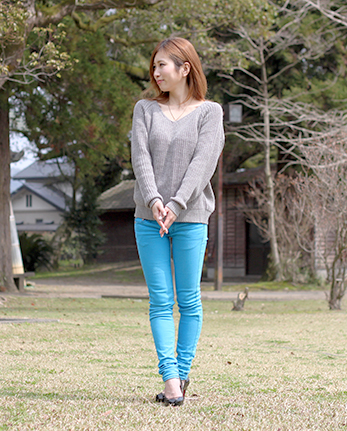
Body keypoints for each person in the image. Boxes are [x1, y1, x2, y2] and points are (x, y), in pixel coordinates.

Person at [131, 37, 224, 407]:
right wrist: (155, 200)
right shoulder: (144, 109)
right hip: (148, 217)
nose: (155, 73)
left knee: (189, 301)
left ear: (185, 68)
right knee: (160, 301)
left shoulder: (209, 112)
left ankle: (182, 376)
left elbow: (204, 162)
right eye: (154, 67)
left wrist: (177, 203)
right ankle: (169, 379)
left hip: (191, 216)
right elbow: (140, 158)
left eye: (162, 66)